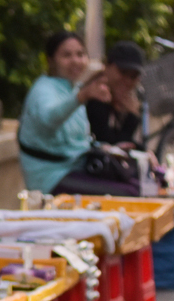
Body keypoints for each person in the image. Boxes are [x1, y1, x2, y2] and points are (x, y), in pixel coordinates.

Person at [18, 31, 112, 193]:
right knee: (127, 193)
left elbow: (79, 140)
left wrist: (109, 148)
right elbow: (49, 119)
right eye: (67, 55)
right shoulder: (42, 89)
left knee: (137, 184)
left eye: (80, 54)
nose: (75, 61)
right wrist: (81, 96)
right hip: (51, 178)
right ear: (51, 60)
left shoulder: (71, 88)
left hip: (77, 169)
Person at [86, 41, 145, 148]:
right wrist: (132, 117)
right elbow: (110, 144)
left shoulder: (119, 101)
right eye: (123, 72)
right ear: (106, 66)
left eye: (133, 76)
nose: (127, 81)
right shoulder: (95, 96)